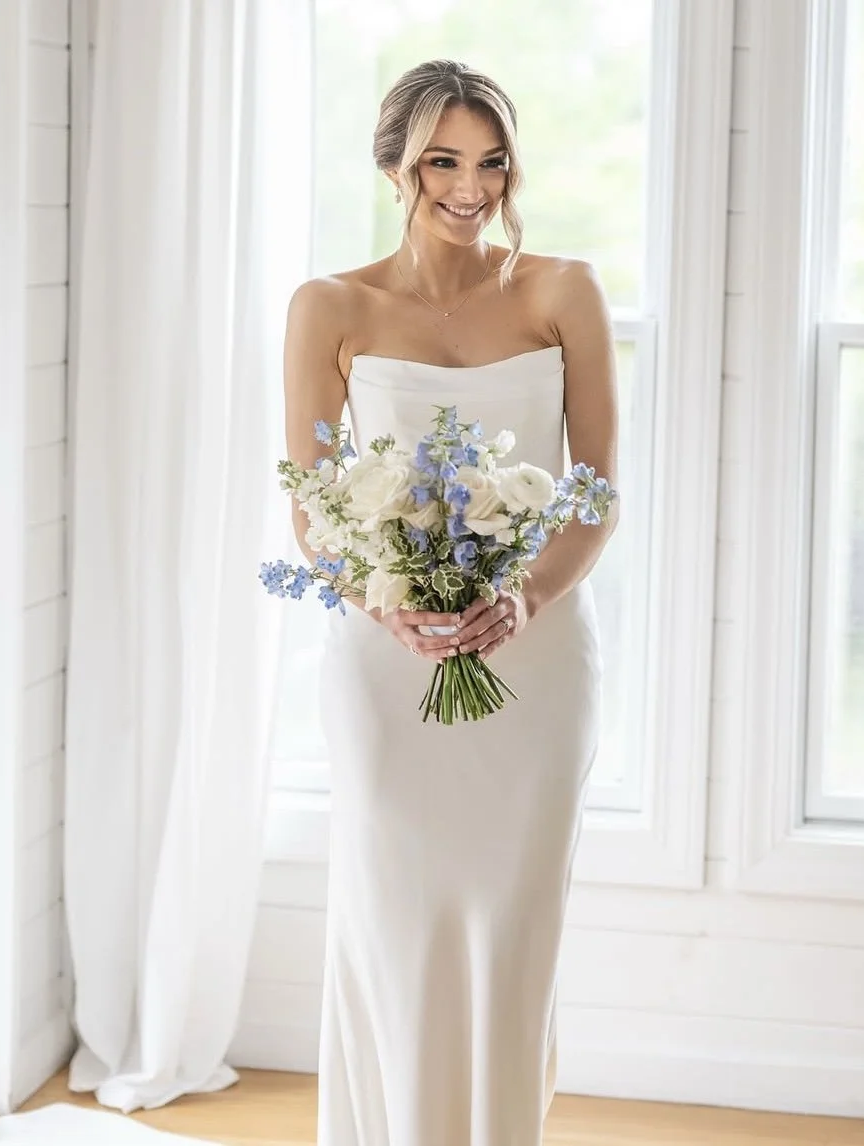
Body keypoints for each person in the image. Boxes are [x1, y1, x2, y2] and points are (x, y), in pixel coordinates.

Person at [282, 59, 621, 1146]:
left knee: (516, 932)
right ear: (395, 167)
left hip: (537, 658)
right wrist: (386, 601)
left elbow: (595, 494)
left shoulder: (563, 293)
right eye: (442, 162)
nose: (471, 188)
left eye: (491, 162)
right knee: (392, 919)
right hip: (389, 662)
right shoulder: (331, 306)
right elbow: (312, 513)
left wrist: (524, 598)